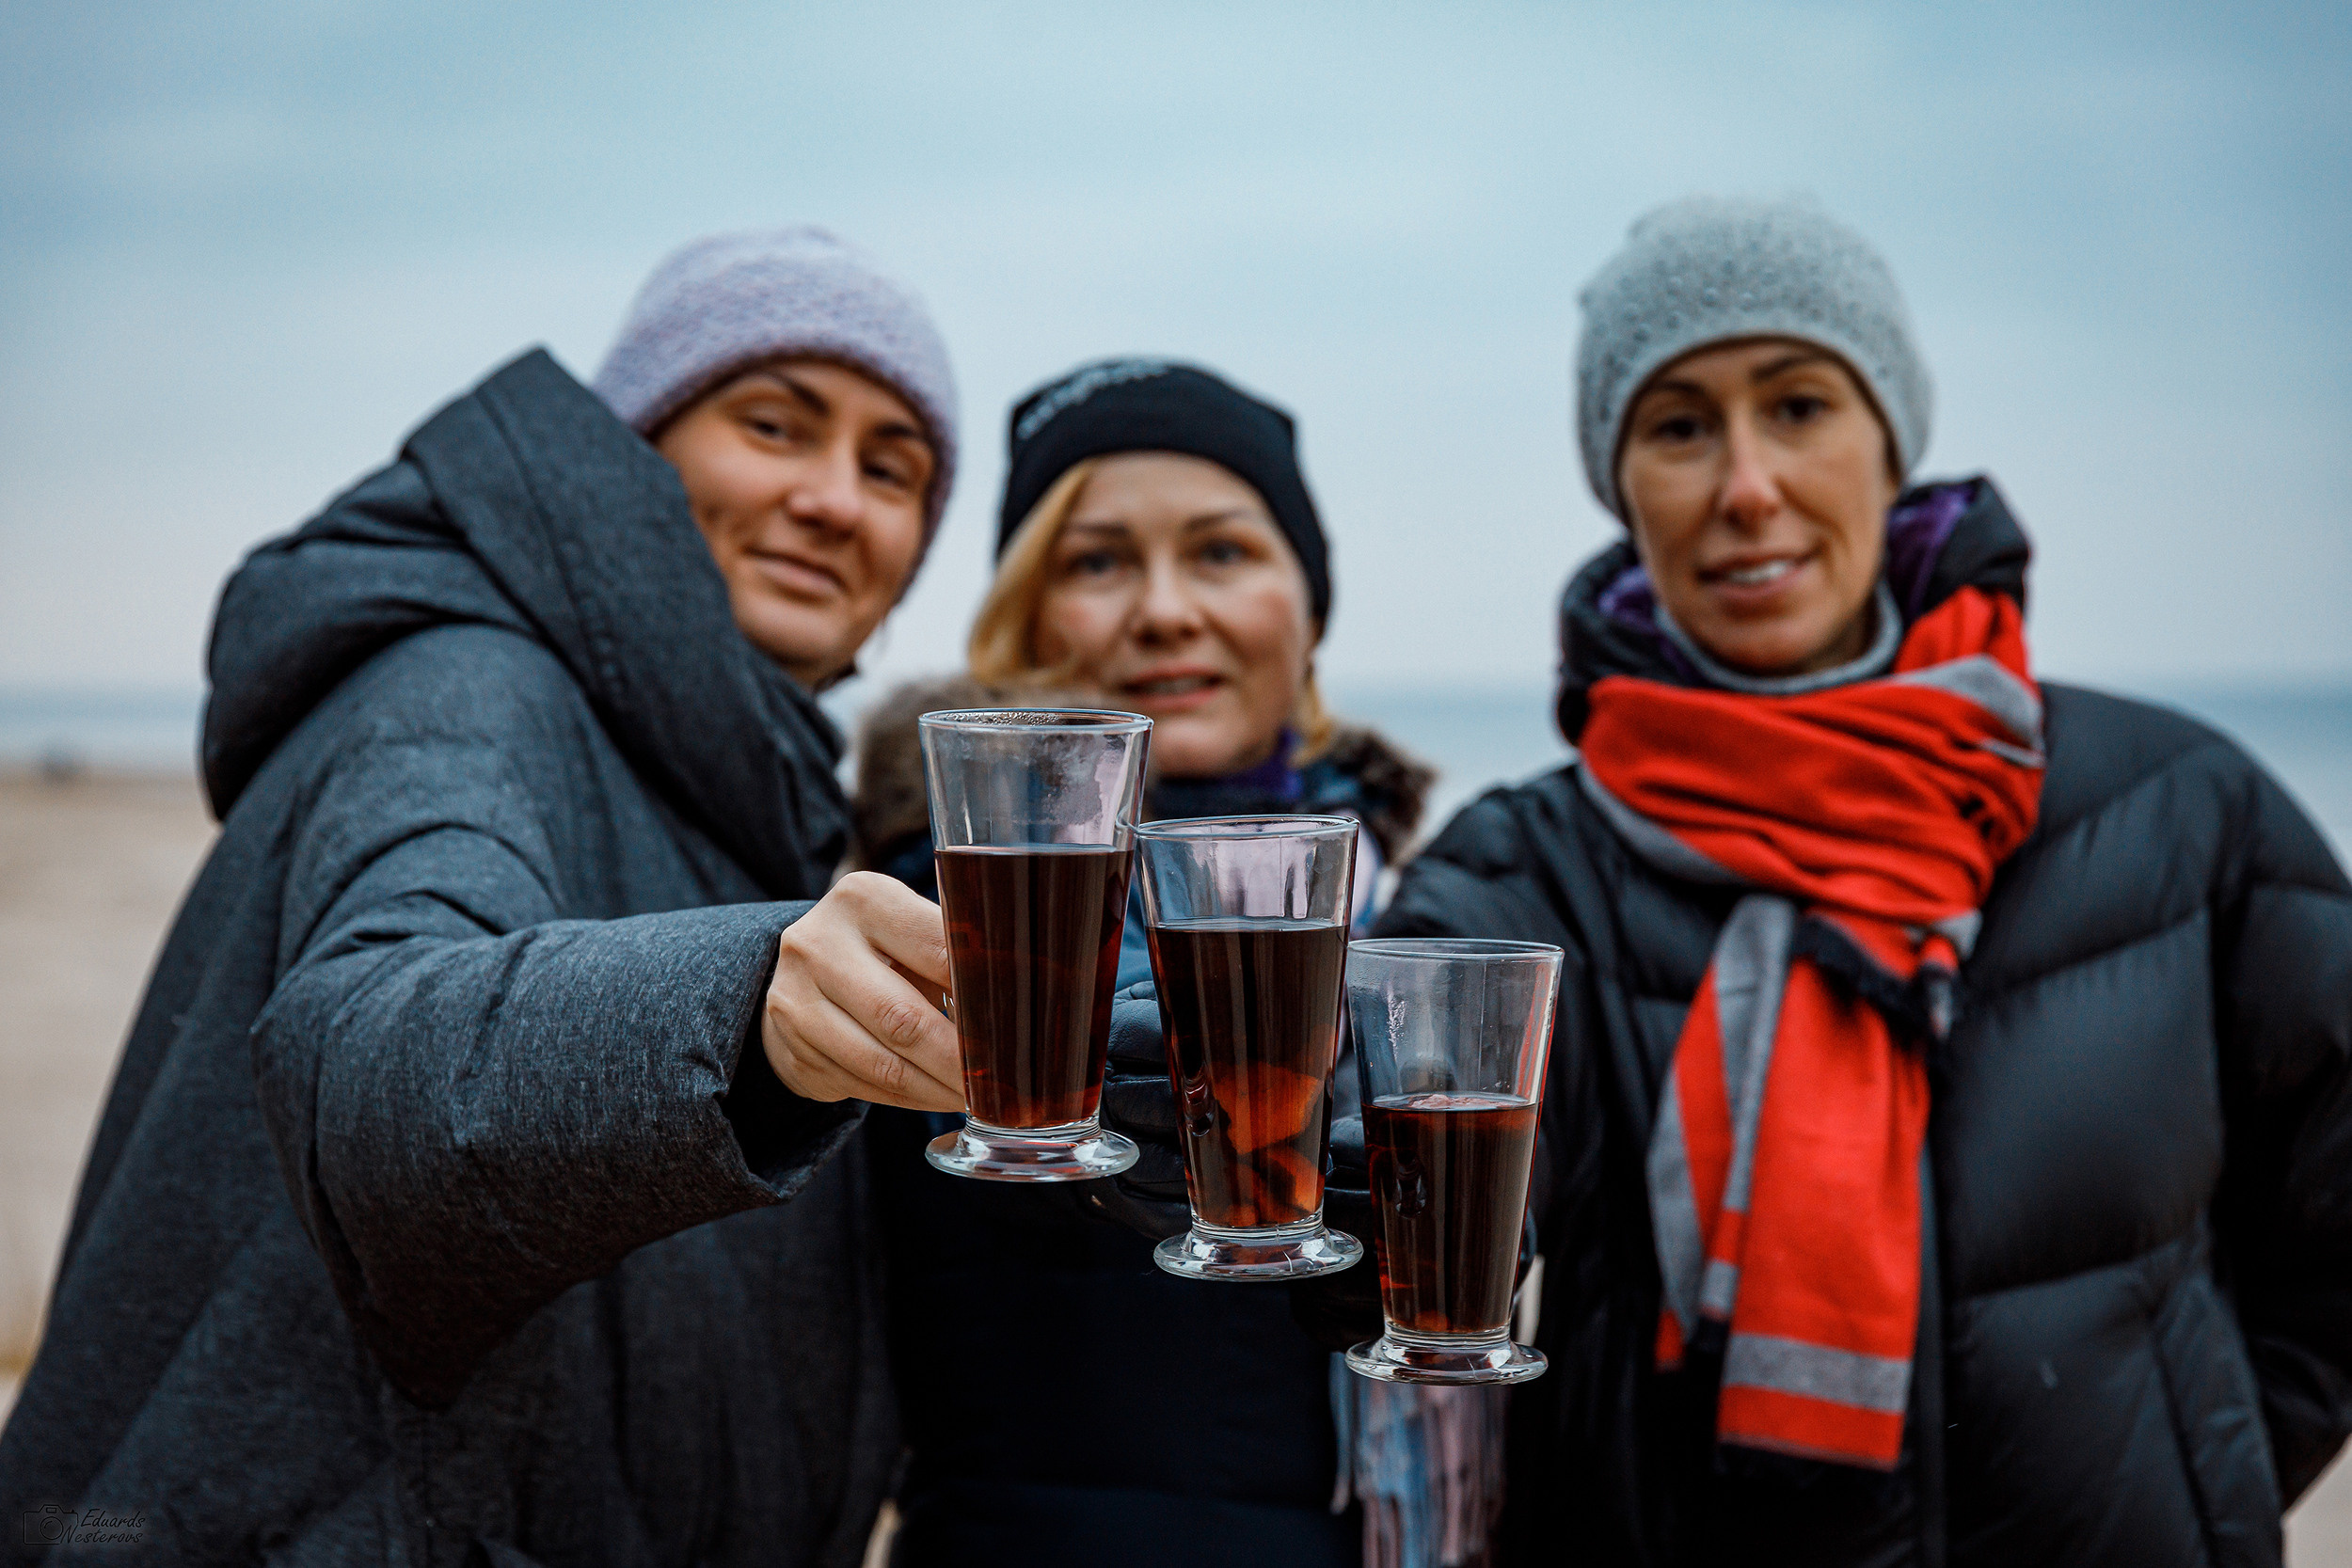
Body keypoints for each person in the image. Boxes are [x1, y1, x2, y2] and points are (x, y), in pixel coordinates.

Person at [1340, 198, 2352, 1565]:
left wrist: (2194, 1471)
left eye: (1801, 404)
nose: (1747, 483)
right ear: (1621, 481)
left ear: (1891, 443)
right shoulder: (1528, 868)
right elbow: (1379, 1127)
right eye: (1680, 425)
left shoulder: (2180, 809)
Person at [0, 228, 980, 1566]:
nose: (835, 499)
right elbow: (377, 1059)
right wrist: (749, 1007)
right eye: (774, 423)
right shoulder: (464, 691)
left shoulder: (744, 785)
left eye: (893, 468)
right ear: (634, 447)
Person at [848, 361, 1495, 1568]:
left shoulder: (1413, 909)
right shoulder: (936, 921)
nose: (1163, 609)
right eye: (1096, 562)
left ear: (1307, 603)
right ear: (1026, 617)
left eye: (1221, 552)